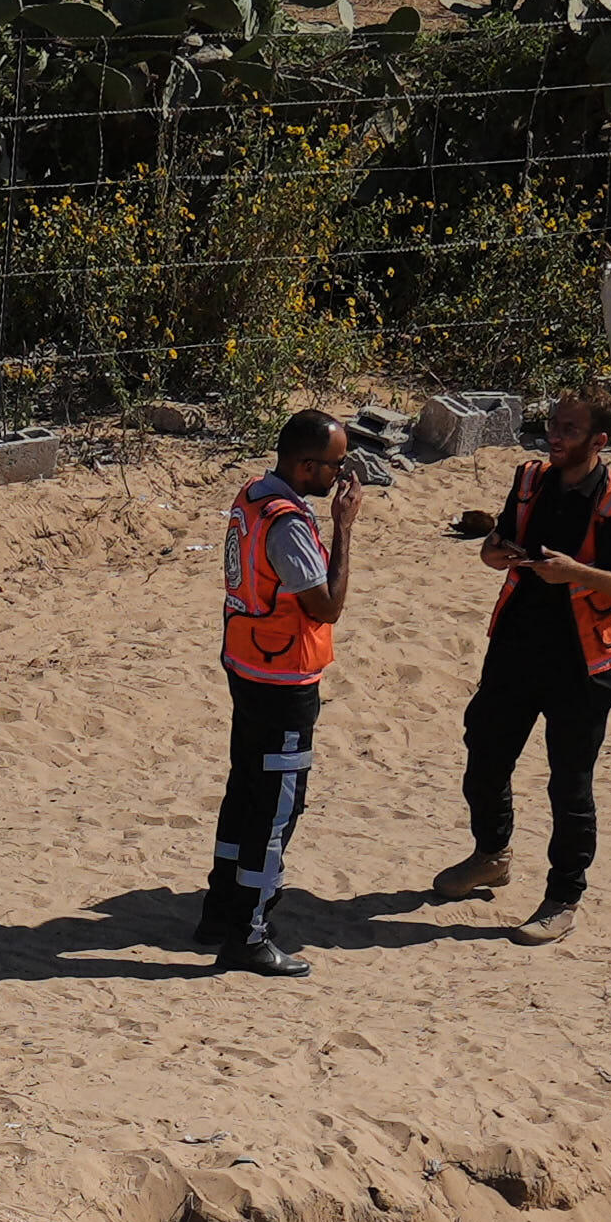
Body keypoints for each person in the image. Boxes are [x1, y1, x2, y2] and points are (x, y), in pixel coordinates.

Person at [420, 390, 611, 940]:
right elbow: (497, 544)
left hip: (583, 663)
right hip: (517, 647)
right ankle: (491, 854)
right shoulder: (530, 481)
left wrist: (579, 572)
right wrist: (493, 554)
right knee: (483, 751)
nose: (554, 434)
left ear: (599, 440)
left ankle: (562, 898)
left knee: (569, 783)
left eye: (568, 429)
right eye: (553, 423)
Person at [206, 412, 355, 962]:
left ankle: (218, 911)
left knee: (244, 789)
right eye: (336, 465)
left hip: (247, 663)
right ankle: (248, 934)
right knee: (275, 808)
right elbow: (327, 606)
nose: (341, 475)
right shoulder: (289, 524)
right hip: (282, 680)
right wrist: (344, 527)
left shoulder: (254, 496)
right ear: (306, 465)